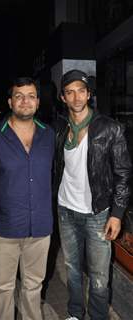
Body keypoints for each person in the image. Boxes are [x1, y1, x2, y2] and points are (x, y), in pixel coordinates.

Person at [54, 69, 132, 320]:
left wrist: (117, 214)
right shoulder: (59, 129)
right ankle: (75, 313)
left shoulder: (110, 128)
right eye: (69, 92)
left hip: (97, 213)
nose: (76, 97)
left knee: (99, 276)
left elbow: (123, 174)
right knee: (72, 268)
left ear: (89, 94)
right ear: (63, 98)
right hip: (66, 210)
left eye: (81, 91)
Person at [0, 77, 55, 320]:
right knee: (3, 288)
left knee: (33, 286)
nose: (25, 101)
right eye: (19, 96)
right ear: (10, 101)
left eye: (31, 96)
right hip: (5, 228)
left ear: (38, 101)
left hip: (41, 227)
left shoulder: (49, 135)